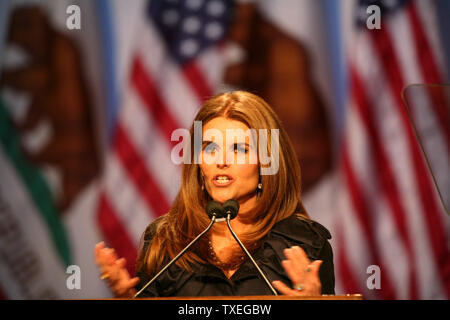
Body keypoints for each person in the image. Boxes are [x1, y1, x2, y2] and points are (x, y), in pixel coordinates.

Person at [94, 91, 334, 298]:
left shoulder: (305, 244)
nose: (222, 161)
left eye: (240, 149)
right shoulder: (165, 241)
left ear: (266, 162)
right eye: (210, 148)